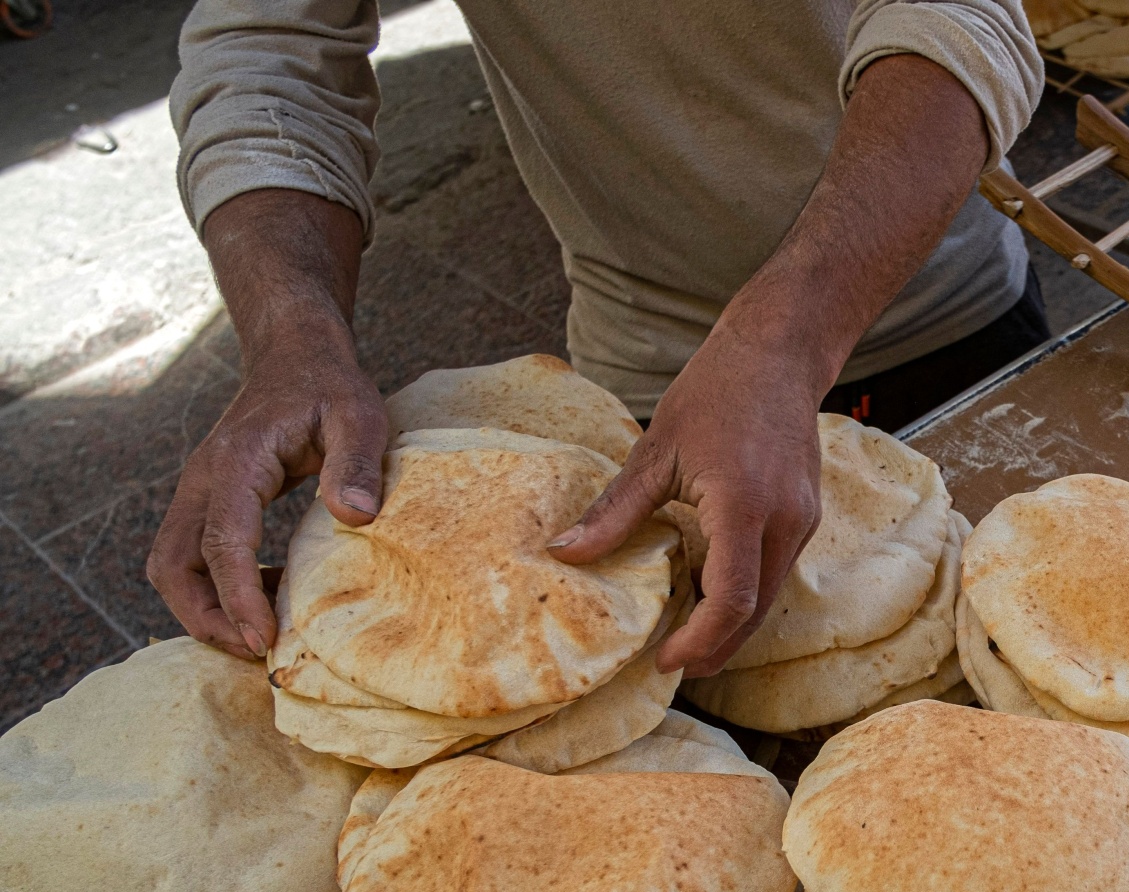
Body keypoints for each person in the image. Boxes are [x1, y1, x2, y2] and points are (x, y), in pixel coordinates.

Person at [151, 0, 1046, 678]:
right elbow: (267, 54)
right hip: (645, 384)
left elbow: (961, 15)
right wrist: (290, 333)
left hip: (948, 314)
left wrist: (783, 339)